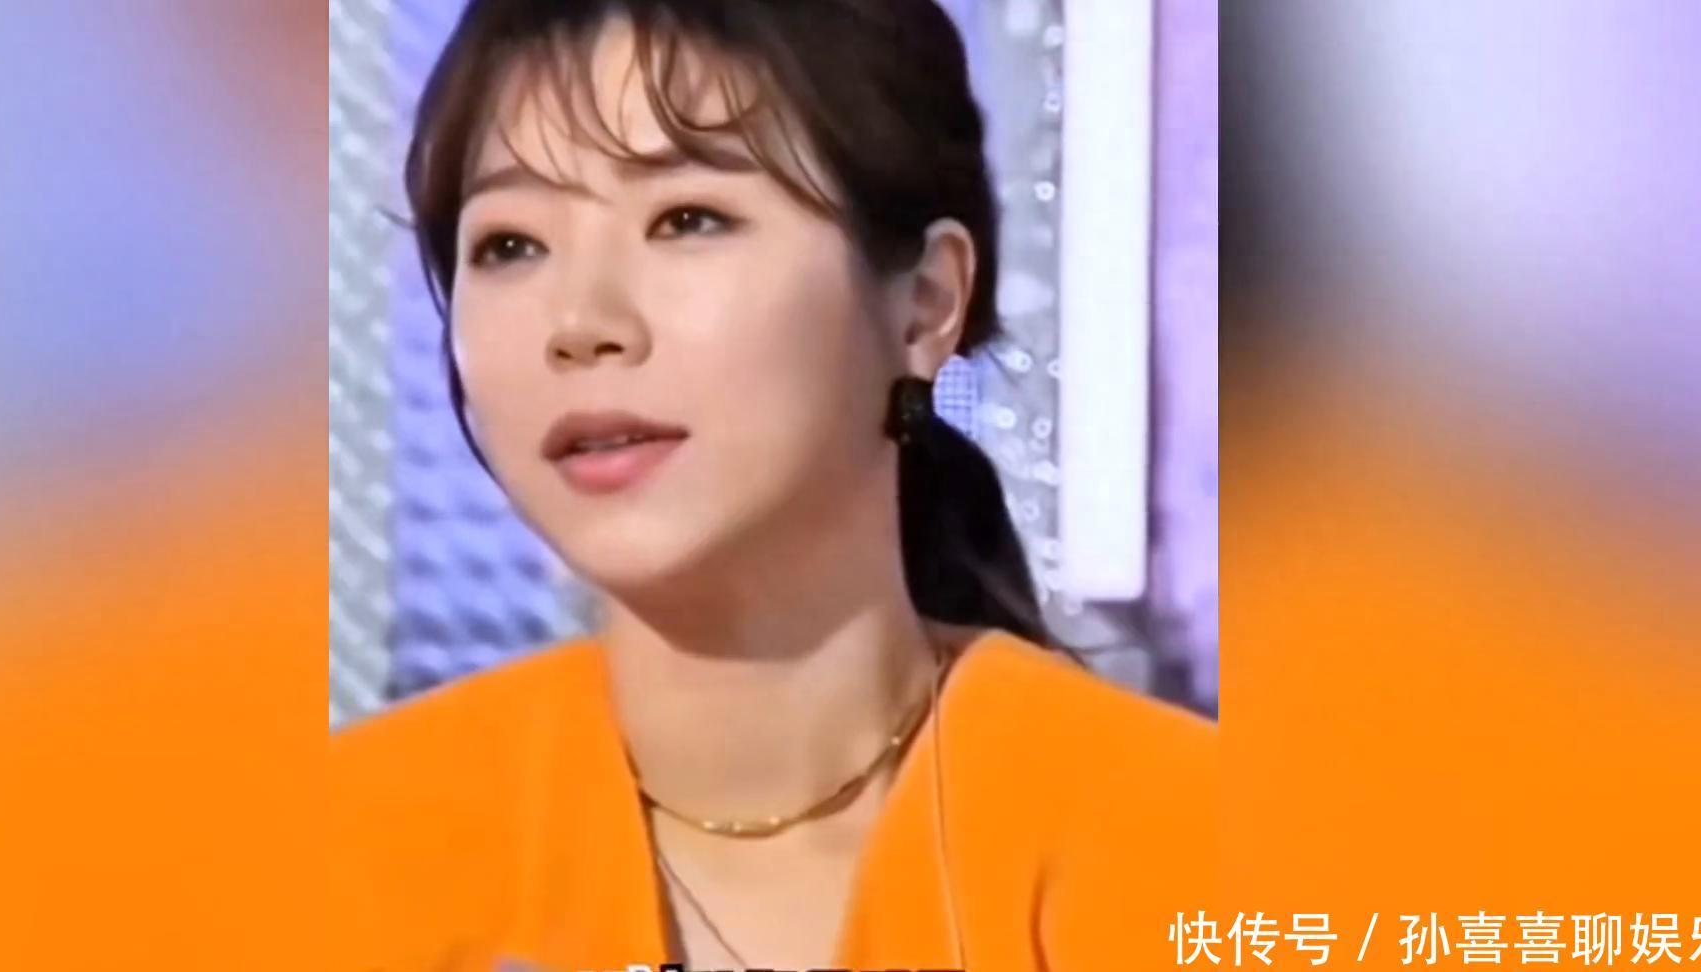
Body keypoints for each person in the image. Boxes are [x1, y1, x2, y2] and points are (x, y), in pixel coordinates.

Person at [332, 2, 1214, 969]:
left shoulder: (1180, 845)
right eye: (510, 245)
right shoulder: (339, 851)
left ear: (925, 305)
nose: (580, 323)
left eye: (687, 219)